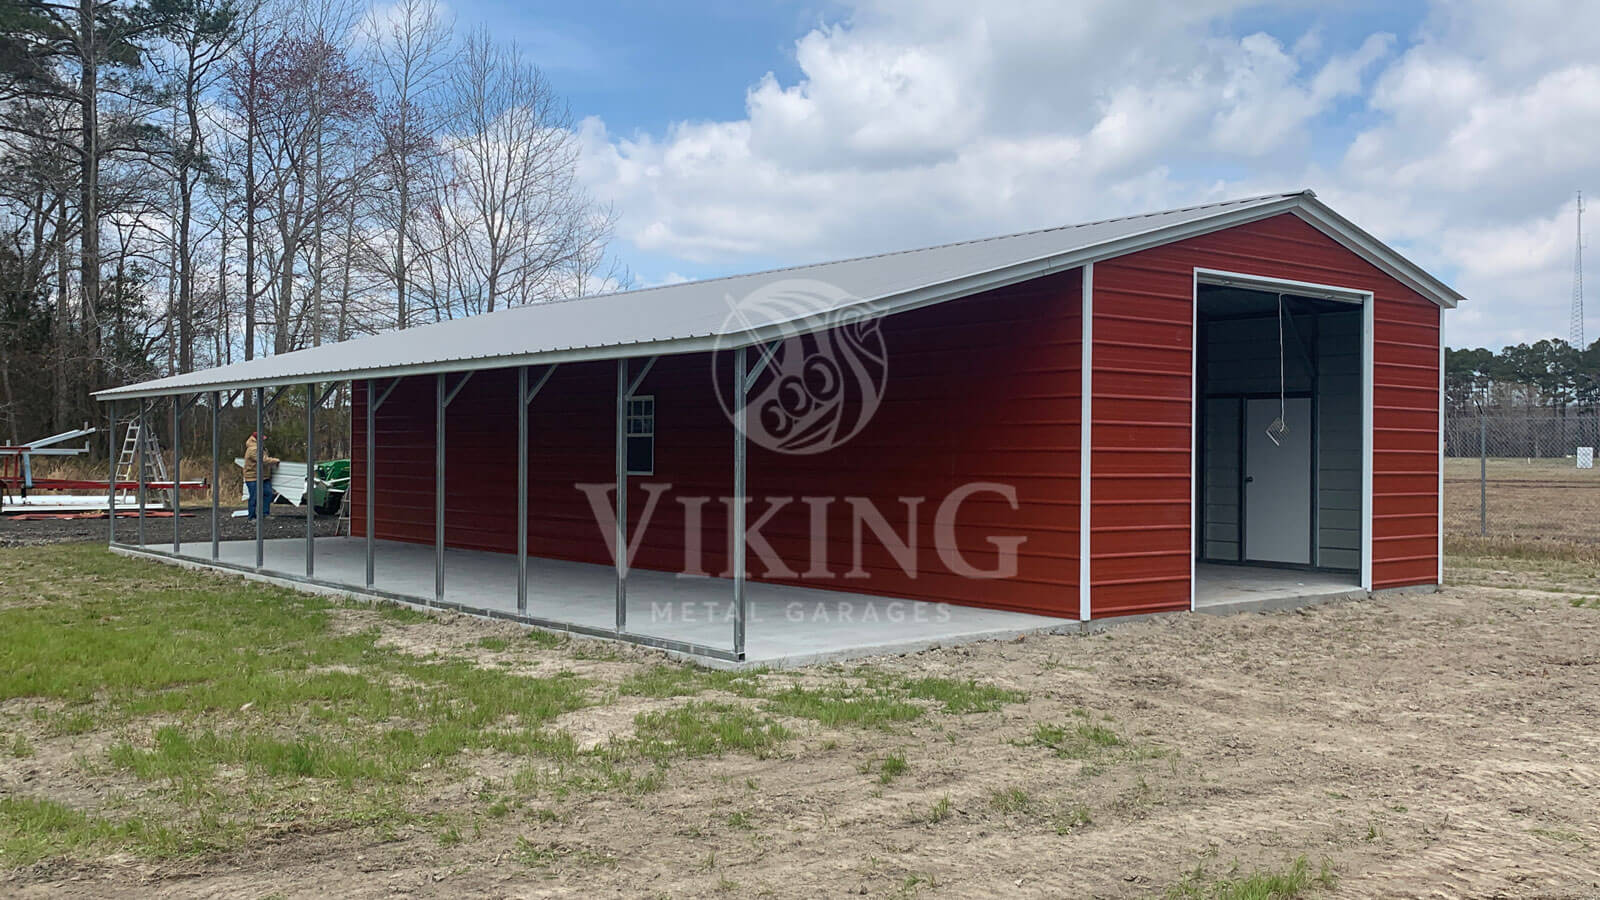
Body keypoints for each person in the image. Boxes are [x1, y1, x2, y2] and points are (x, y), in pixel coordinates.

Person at [242, 432, 280, 519]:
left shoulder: (260, 447)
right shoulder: (253, 449)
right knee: (254, 497)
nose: (264, 440)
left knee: (268, 494)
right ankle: (251, 516)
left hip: (263, 476)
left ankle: (265, 513)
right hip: (252, 477)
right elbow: (263, 460)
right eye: (262, 439)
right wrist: (275, 460)